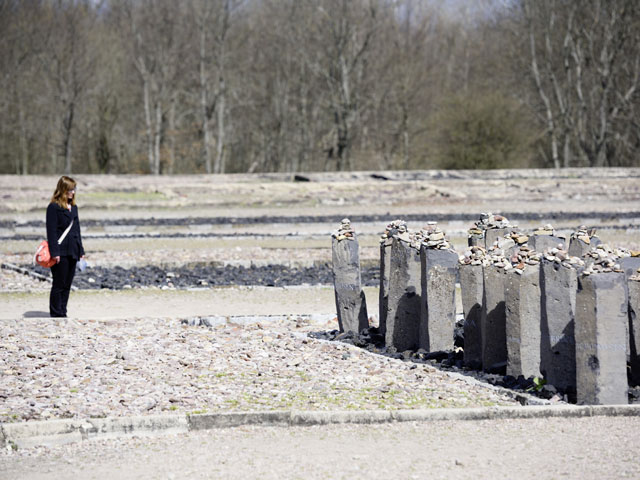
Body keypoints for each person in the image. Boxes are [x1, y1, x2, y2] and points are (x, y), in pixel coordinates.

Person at [46, 176, 85, 317]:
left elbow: (77, 230)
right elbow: (51, 232)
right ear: (62, 190)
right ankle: (56, 313)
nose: (72, 192)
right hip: (60, 251)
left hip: (73, 250)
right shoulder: (53, 207)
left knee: (68, 284)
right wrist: (54, 252)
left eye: (74, 189)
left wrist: (81, 250)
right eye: (70, 189)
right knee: (59, 283)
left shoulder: (73, 207)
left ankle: (63, 311)